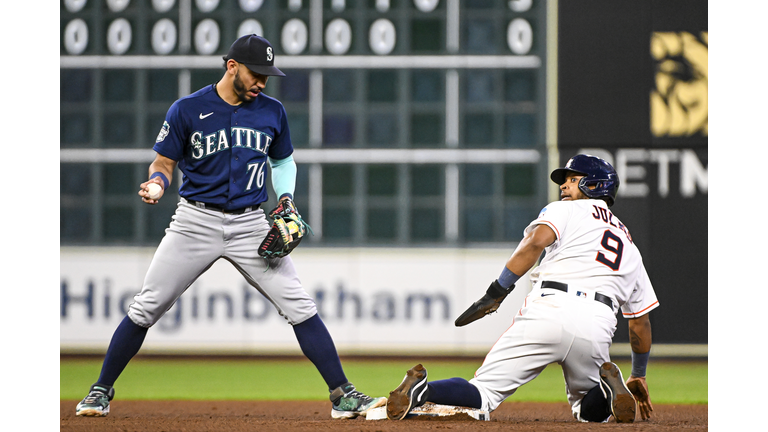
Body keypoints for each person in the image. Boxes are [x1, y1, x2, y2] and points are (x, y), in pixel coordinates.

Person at [75, 34, 385, 420]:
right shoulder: (188, 109)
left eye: (267, 76)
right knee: (147, 306)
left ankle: (343, 395)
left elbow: (283, 162)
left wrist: (285, 199)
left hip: (252, 222)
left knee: (300, 306)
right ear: (232, 67)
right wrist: (157, 183)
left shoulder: (272, 111)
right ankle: (99, 391)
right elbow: (164, 163)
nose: (262, 82)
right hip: (195, 220)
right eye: (256, 74)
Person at [386, 154, 657, 423]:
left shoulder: (566, 210)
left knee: (484, 391)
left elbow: (534, 242)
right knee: (590, 410)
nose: (563, 185)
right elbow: (640, 324)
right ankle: (608, 389)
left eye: (573, 180)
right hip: (597, 324)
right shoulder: (631, 248)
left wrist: (497, 291)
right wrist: (639, 374)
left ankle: (423, 390)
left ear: (596, 186)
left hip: (550, 308)